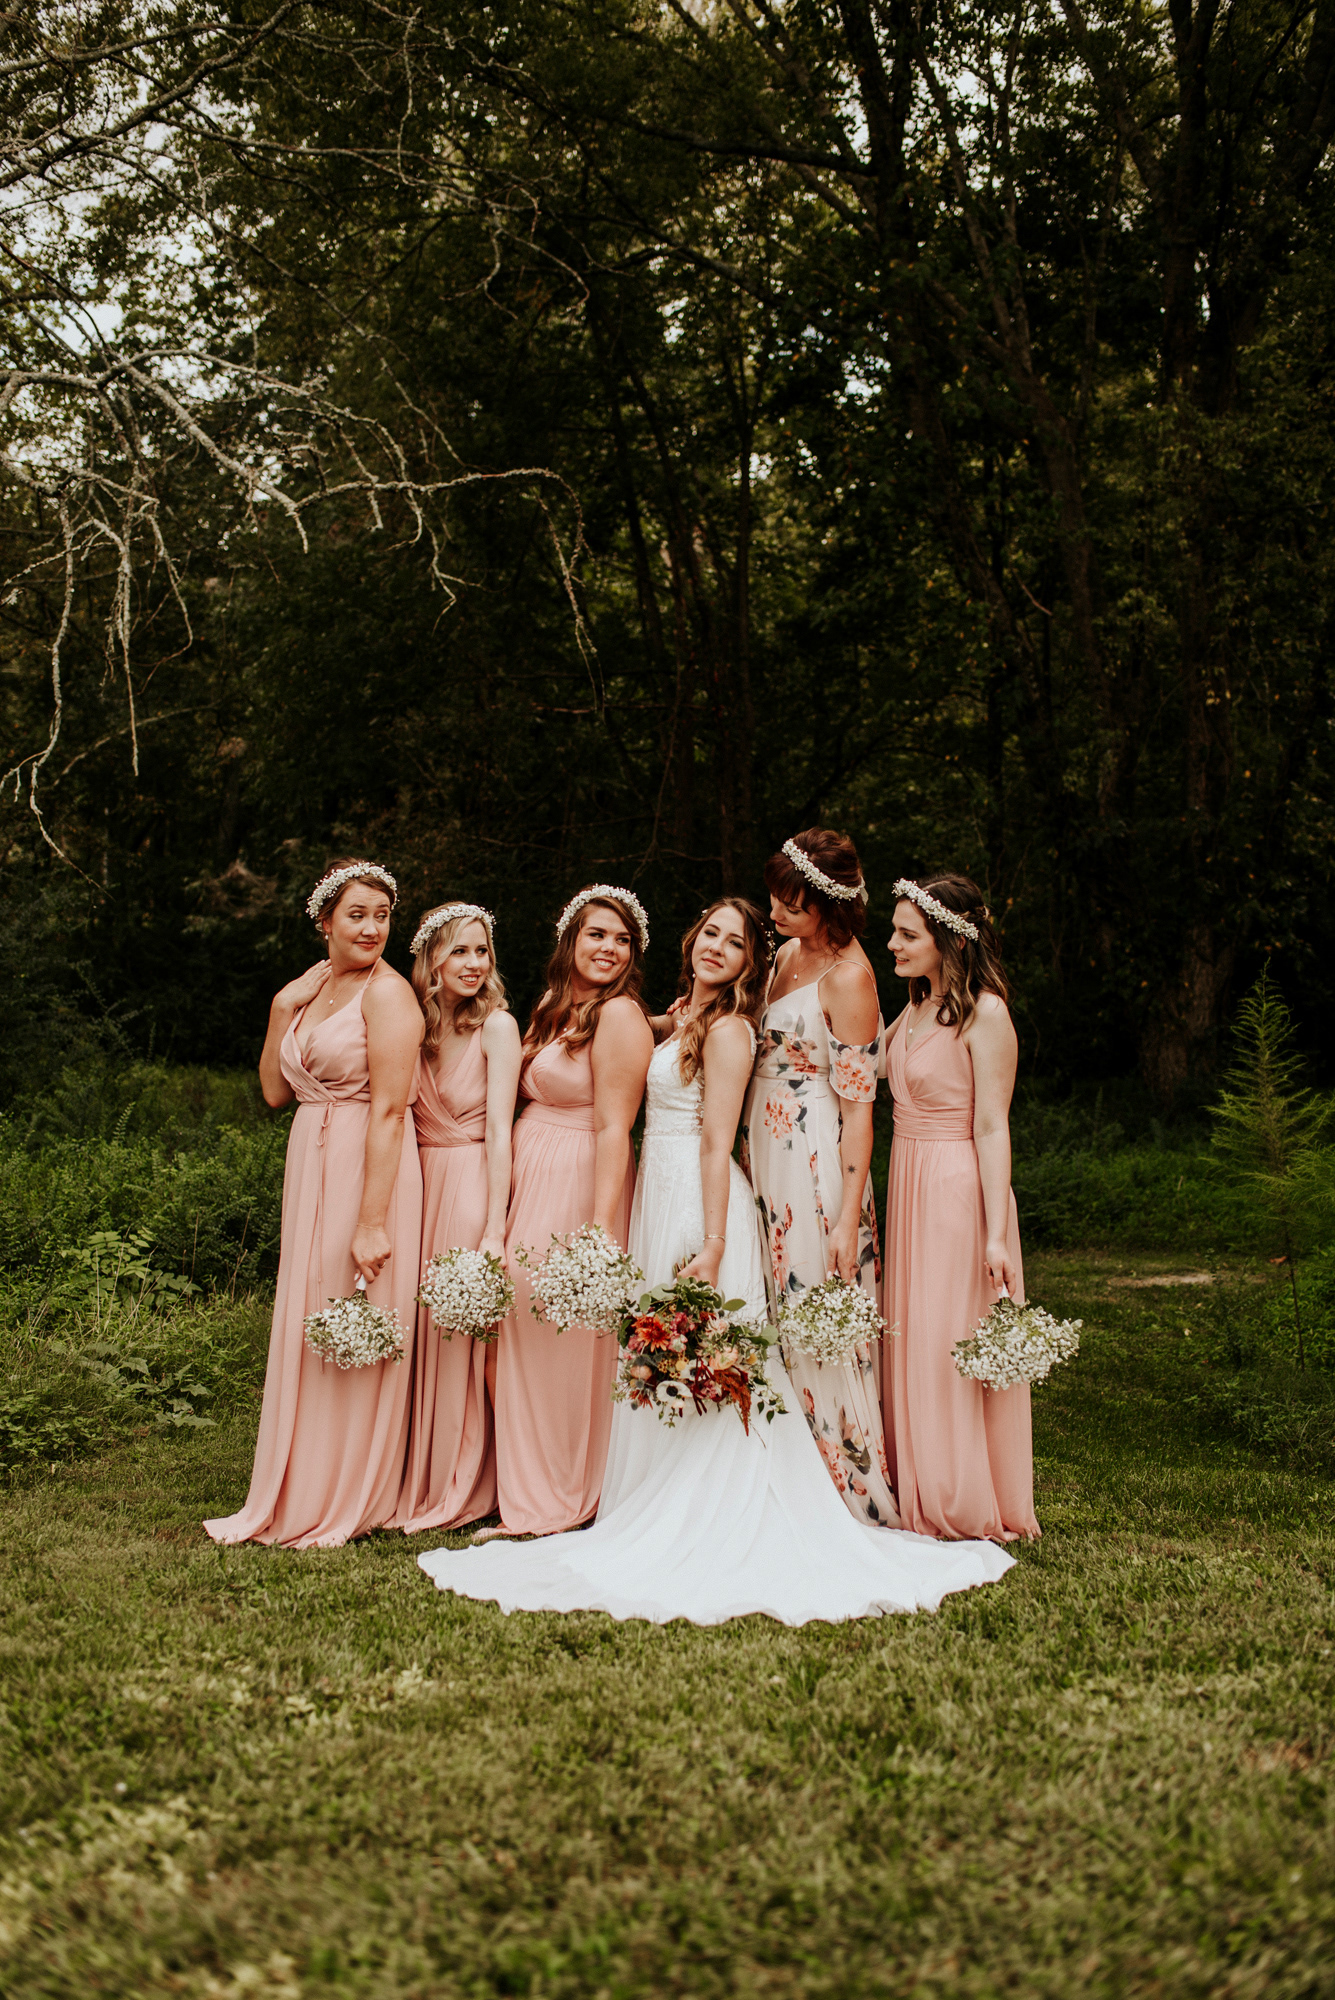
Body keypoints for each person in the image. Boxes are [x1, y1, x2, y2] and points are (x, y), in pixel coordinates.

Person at [417, 897, 1013, 1623]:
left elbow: (714, 1142)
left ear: (747, 964)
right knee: (662, 1347)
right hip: (661, 1190)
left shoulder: (730, 1031)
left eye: (734, 944)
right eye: (710, 935)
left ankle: (705, 1503)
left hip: (699, 1202)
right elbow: (643, 1037)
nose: (717, 948)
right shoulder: (685, 1018)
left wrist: (714, 1242)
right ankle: (649, 1491)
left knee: (703, 1349)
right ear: (690, 940)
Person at [205, 860, 424, 1549]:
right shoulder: (312, 989)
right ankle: (299, 1478)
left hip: (367, 1164)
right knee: (310, 1311)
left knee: (352, 1309)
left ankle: (346, 1488)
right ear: (325, 921)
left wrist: (371, 1221)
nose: (371, 928)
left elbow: (391, 1111)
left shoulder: (389, 996)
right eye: (357, 915)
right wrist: (280, 1007)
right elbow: (275, 1092)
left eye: (382, 916)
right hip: (312, 1157)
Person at [482, 885, 654, 1537]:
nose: (609, 948)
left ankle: (562, 1491)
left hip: (578, 1180)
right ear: (570, 941)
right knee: (522, 1325)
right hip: (532, 1175)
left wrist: (599, 1230)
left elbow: (615, 1127)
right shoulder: (554, 1006)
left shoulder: (620, 1016)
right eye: (596, 935)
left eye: (622, 940)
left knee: (562, 1333)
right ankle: (522, 1487)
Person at [742, 829, 900, 1528]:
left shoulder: (850, 978)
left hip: (813, 1160)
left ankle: (845, 1488)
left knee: (813, 1309)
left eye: (791, 903)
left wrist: (844, 1220)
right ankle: (777, 1469)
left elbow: (860, 1109)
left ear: (829, 905)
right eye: (775, 898)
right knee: (772, 1306)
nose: (775, 912)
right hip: (763, 1149)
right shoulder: (784, 954)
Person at [882, 873, 1038, 1541]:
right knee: (913, 1329)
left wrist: (995, 1234)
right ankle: (916, 1476)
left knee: (947, 1333)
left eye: (906, 934)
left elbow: (993, 1127)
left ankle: (957, 1491)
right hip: (907, 1179)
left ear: (949, 940)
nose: (892, 944)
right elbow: (868, 1069)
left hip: (953, 1186)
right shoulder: (915, 1007)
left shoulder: (986, 1014)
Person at [394, 902, 521, 1535]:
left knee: (465, 1337)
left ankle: (469, 1480)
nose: (473, 964)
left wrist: (494, 1226)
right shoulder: (411, 1025)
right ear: (432, 960)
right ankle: (417, 1471)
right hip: (417, 1185)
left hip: (470, 1180)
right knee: (421, 1329)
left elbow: (501, 1132)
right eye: (459, 951)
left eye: (482, 951)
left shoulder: (497, 1026)